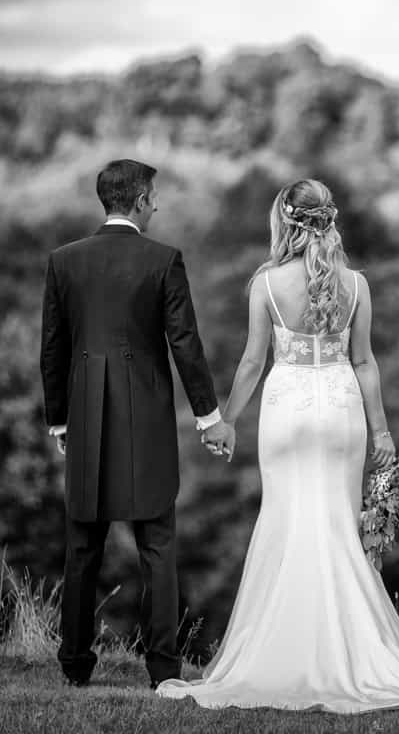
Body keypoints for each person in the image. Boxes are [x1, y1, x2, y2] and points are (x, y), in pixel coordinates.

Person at [156, 178, 399, 712]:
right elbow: (366, 362)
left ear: (286, 219)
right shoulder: (357, 285)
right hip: (343, 411)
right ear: (328, 220)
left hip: (288, 409)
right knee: (338, 530)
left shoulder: (267, 284)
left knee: (286, 522)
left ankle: (287, 653)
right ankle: (351, 652)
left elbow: (254, 362)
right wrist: (384, 433)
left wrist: (225, 421)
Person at [40, 159, 229, 689]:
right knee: (158, 548)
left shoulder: (63, 261)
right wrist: (209, 416)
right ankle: (163, 670)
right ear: (141, 199)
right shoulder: (164, 260)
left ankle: (75, 665)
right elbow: (185, 345)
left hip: (83, 416)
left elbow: (51, 347)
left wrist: (58, 419)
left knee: (82, 547)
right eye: (156, 196)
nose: (159, 204)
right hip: (145, 420)